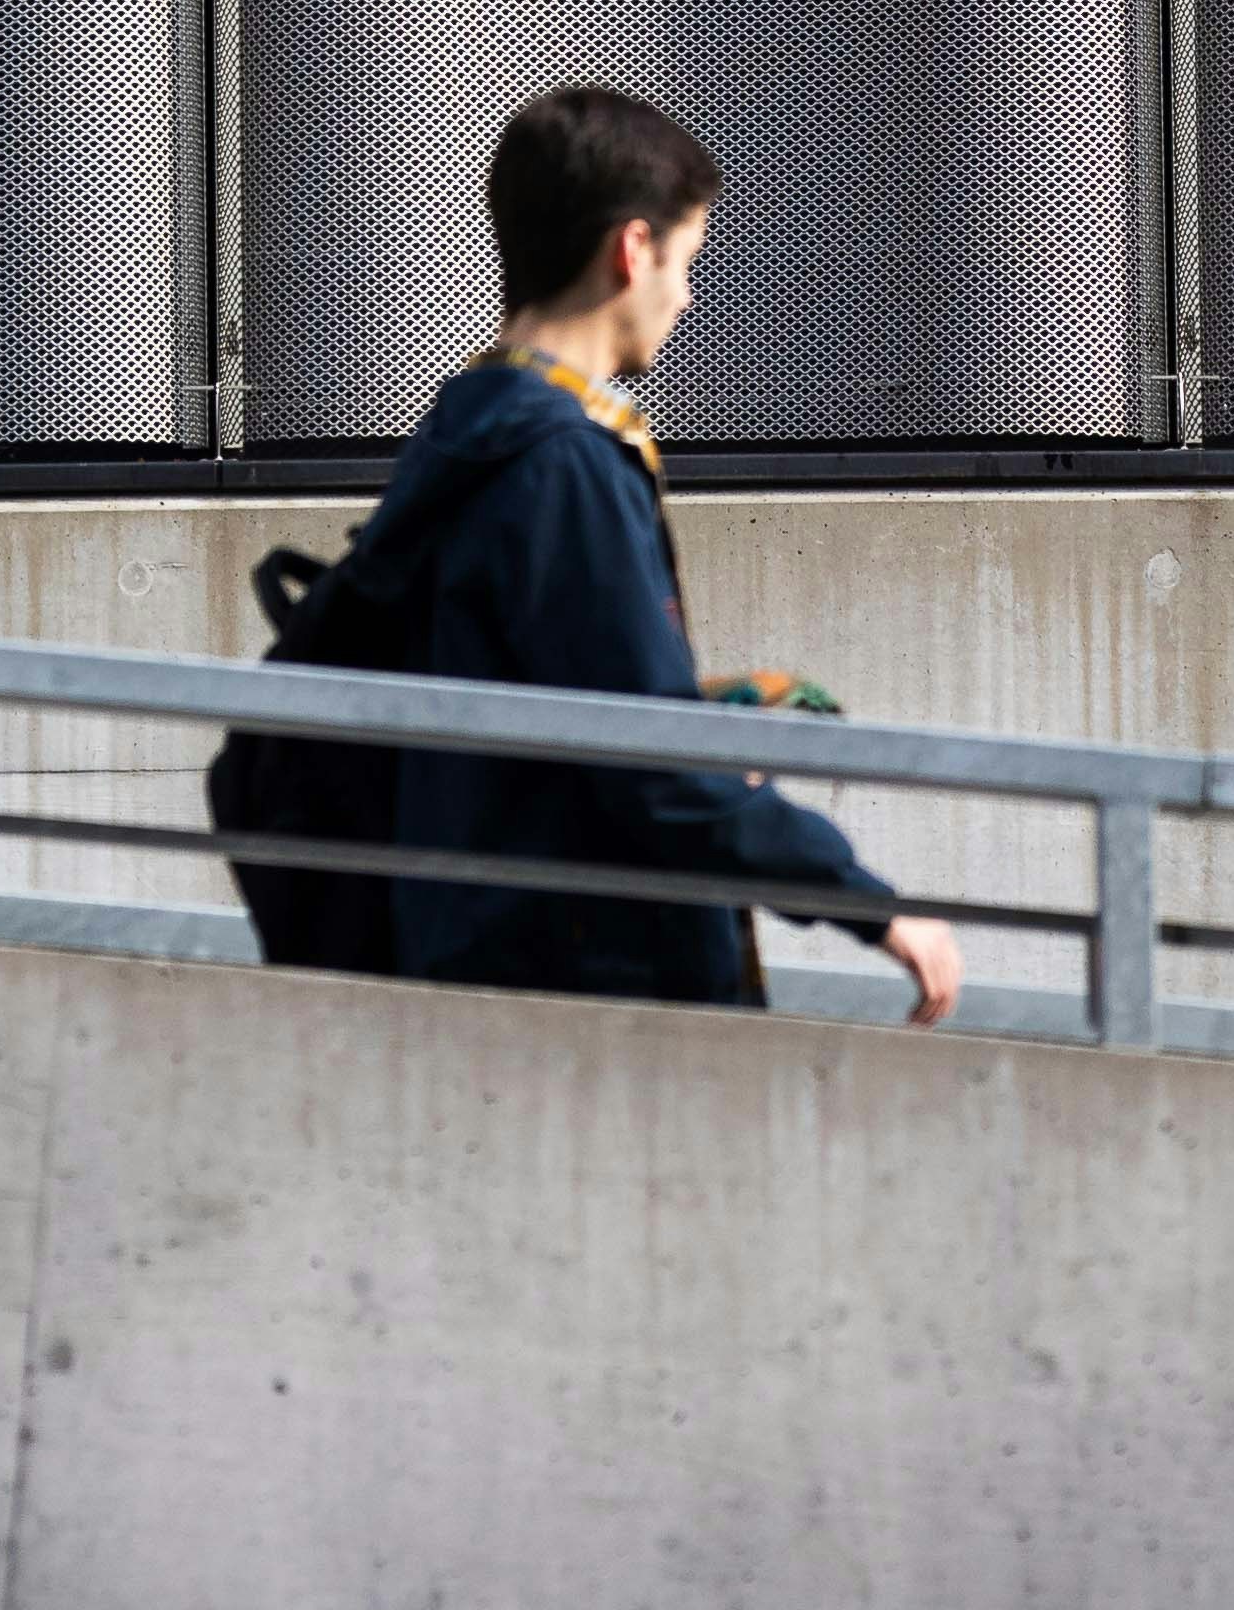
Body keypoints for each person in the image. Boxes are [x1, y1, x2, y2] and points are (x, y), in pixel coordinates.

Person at [333, 84, 964, 1022]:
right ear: (632, 250)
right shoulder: (559, 464)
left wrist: (691, 714)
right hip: (579, 986)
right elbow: (648, 761)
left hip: (484, 946)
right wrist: (868, 906)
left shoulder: (465, 425)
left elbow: (553, 690)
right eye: (686, 261)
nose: (689, 295)